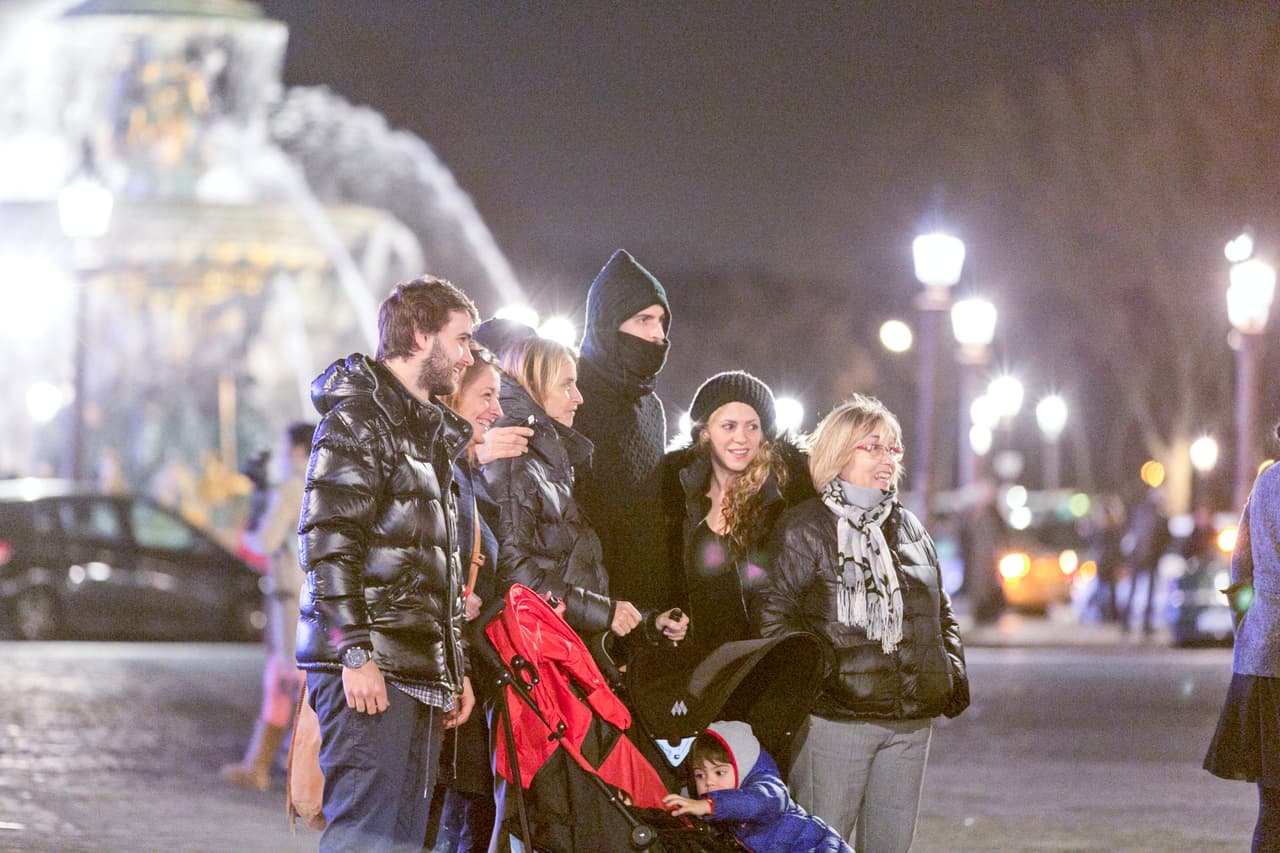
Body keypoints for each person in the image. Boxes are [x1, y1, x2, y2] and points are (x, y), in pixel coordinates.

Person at [295, 275, 478, 852]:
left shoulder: (423, 432)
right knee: (366, 840)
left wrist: (452, 668)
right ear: (422, 334)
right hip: (370, 670)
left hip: (412, 671)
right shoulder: (359, 421)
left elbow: (434, 567)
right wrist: (354, 652)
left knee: (399, 843)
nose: (468, 356)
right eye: (462, 339)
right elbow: (328, 546)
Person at [755, 395, 969, 853]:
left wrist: (949, 675)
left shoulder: (910, 528)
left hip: (910, 721)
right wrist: (823, 680)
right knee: (819, 844)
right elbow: (774, 620)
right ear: (837, 453)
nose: (888, 458)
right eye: (873, 447)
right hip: (838, 720)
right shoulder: (805, 527)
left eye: (893, 449)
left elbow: (941, 611)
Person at [482, 334, 684, 643]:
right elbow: (513, 572)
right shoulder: (514, 461)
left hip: (566, 638)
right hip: (542, 650)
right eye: (566, 385)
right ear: (535, 386)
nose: (578, 397)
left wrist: (638, 620)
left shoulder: (548, 462)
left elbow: (567, 569)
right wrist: (605, 612)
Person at [430, 345, 532, 853]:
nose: (496, 408)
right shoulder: (445, 475)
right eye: (486, 395)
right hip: (443, 675)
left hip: (461, 671)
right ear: (452, 396)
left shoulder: (465, 473)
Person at [660, 370, 813, 653]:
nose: (741, 438)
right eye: (729, 426)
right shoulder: (674, 494)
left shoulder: (788, 497)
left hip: (763, 667)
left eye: (752, 427)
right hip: (693, 668)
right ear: (705, 432)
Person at [572, 249, 673, 611]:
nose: (657, 335)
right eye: (644, 320)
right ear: (608, 324)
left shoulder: (651, 407)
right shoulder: (572, 394)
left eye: (661, 321)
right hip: (585, 605)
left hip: (646, 612)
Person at [221, 421, 315, 791]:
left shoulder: (292, 488)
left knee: (287, 679)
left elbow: (263, 542)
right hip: (306, 597)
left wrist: (255, 517)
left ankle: (282, 771)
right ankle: (260, 764)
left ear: (294, 449)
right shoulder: (319, 483)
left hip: (289, 600)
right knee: (289, 680)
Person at [1204, 438, 1280, 853]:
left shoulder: (1266, 482)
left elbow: (1239, 568)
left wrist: (1247, 629)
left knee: (1272, 803)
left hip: (1262, 658)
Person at [662, 720, 853, 853]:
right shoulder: (723, 808)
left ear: (742, 765)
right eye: (700, 775)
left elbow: (755, 802)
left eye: (719, 772)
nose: (708, 782)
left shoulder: (768, 788)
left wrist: (709, 806)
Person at [1120, 486, 1171, 636]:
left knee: (1136, 591)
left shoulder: (1140, 512)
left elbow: (1132, 533)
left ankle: (1129, 624)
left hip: (1140, 557)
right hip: (1150, 558)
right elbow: (1166, 538)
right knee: (1147, 592)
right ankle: (1144, 625)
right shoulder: (1158, 516)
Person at [1086, 495, 1126, 624]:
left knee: (1107, 591)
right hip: (1106, 564)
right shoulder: (1107, 530)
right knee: (1106, 591)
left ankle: (1107, 615)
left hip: (1106, 564)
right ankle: (1107, 615)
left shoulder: (1106, 530)